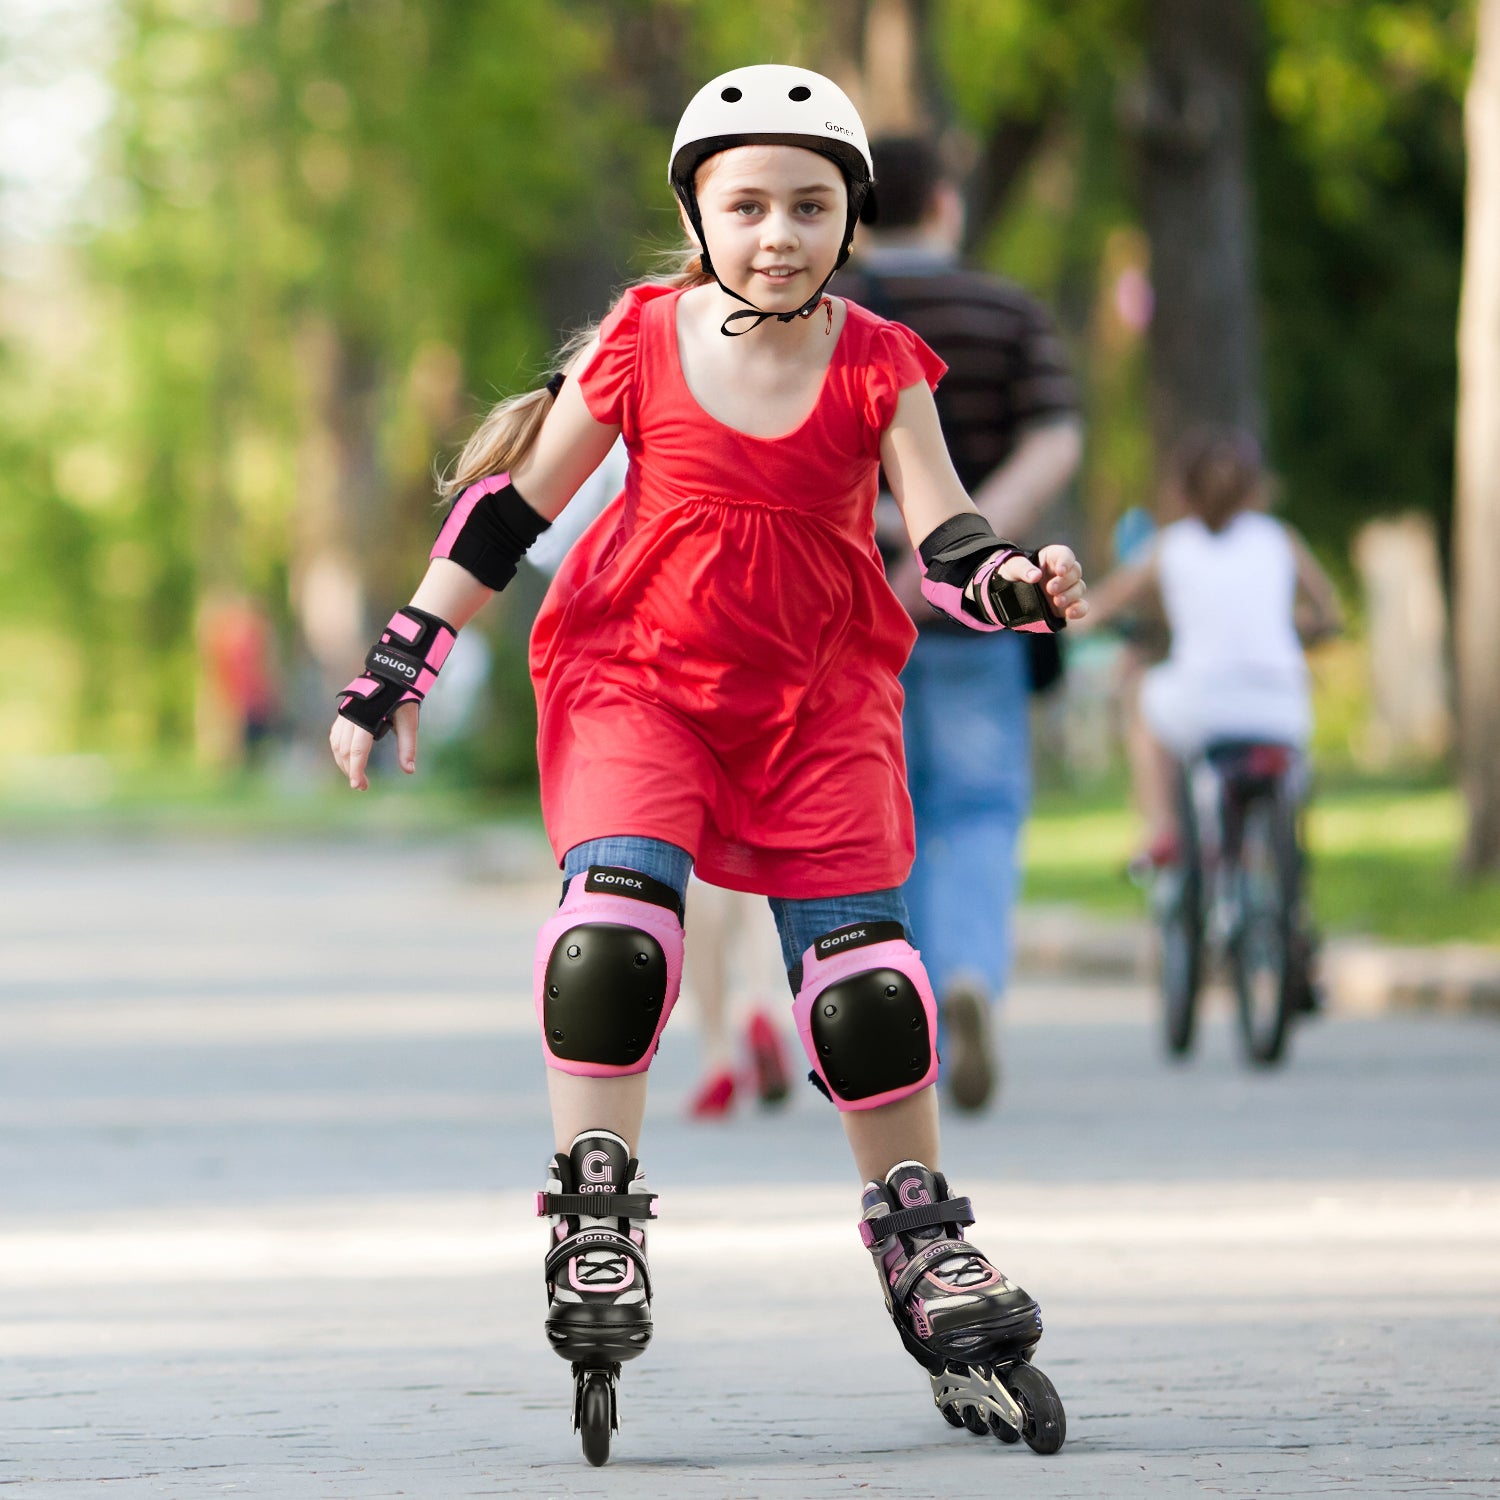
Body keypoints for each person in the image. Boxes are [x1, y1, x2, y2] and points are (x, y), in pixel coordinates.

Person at [328, 66, 1085, 1463]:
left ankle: (921, 1239)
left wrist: (1018, 589)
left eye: (810, 206)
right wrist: (398, 664)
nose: (779, 234)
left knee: (866, 985)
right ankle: (595, 1216)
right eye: (748, 206)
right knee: (610, 933)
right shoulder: (643, 336)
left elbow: (950, 546)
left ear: (853, 221)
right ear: (700, 211)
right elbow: (510, 513)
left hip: (820, 695)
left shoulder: (881, 363)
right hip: (639, 678)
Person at [839, 137, 1083, 1113]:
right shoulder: (1008, 311)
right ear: (946, 205)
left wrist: (901, 533)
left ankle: (922, 1013)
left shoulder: (830, 319)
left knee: (883, 824)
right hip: (984, 615)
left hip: (857, 620)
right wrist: (976, 545)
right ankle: (975, 971)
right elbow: (1057, 436)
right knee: (981, 809)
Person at [1081, 426, 1343, 866]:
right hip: (1281, 705)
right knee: (1294, 762)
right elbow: (1329, 614)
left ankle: (1161, 826)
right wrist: (1302, 626)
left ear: (1182, 489)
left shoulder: (1171, 545)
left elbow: (1099, 606)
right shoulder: (1280, 539)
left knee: (1141, 693)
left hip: (1201, 702)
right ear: (1255, 488)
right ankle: (1286, 878)